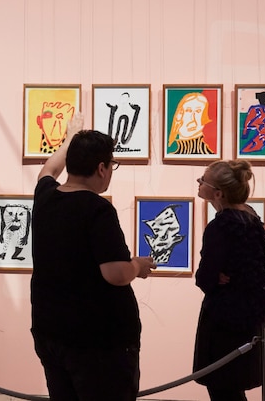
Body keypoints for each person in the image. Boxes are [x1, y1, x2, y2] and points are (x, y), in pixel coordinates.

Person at [30, 115, 155, 401]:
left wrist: (70, 138)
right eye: (112, 165)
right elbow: (116, 273)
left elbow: (49, 168)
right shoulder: (97, 209)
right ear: (101, 168)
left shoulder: (46, 196)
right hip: (97, 340)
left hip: (50, 331)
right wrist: (138, 265)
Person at [193, 160, 265, 401]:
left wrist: (213, 276)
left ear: (218, 193)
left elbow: (205, 278)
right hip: (250, 317)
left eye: (203, 180)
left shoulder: (219, 226)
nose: (198, 183)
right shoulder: (251, 218)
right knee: (233, 389)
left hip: (224, 320)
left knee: (223, 389)